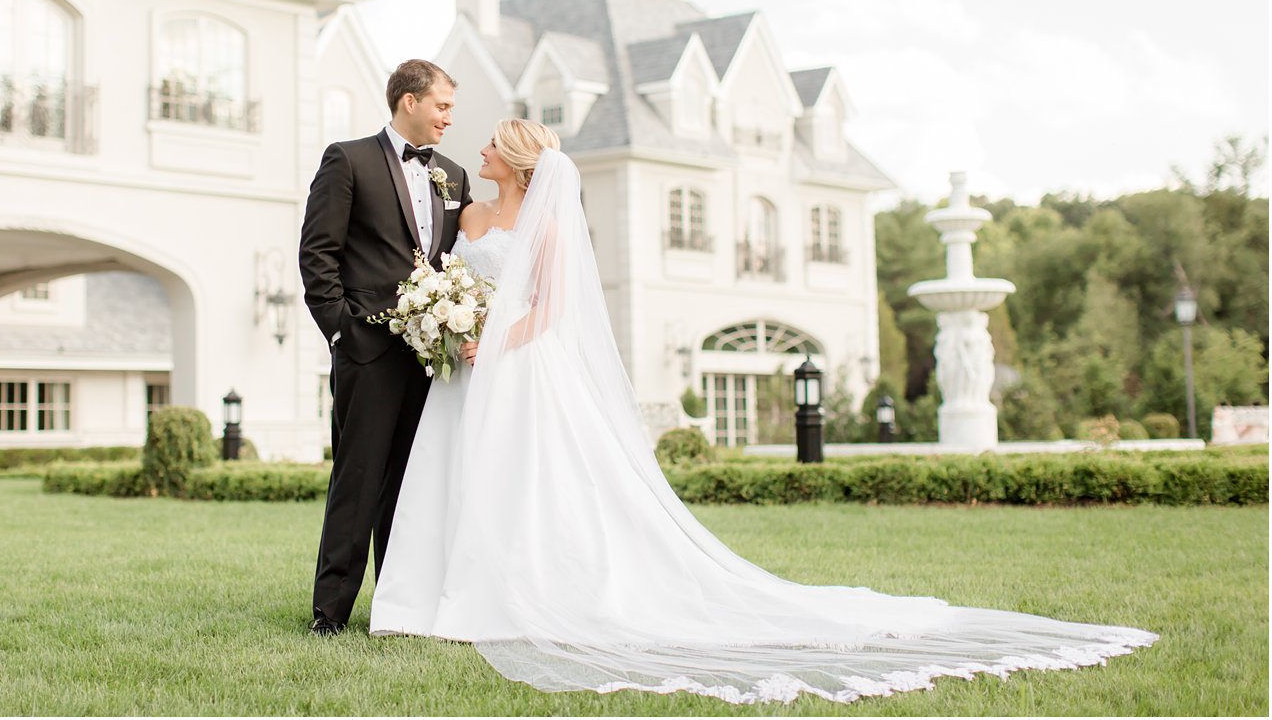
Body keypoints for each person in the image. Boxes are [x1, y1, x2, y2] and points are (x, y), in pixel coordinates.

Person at [369, 118, 1157, 705]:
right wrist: (451, 321)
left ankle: (510, 588)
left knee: (532, 482)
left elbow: (550, 305)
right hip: (461, 371)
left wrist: (494, 341)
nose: (477, 151)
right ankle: (436, 594)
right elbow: (457, 279)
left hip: (518, 366)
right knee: (456, 475)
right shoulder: (467, 215)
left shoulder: (543, 227)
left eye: (491, 145)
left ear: (516, 160)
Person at [298, 59, 473, 637]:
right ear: (409, 102)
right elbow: (318, 252)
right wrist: (342, 330)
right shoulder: (347, 160)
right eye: (442, 106)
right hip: (367, 349)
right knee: (359, 477)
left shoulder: (453, 174)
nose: (450, 117)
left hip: (433, 361)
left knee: (413, 483)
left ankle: (398, 607)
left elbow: (456, 261)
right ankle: (331, 612)